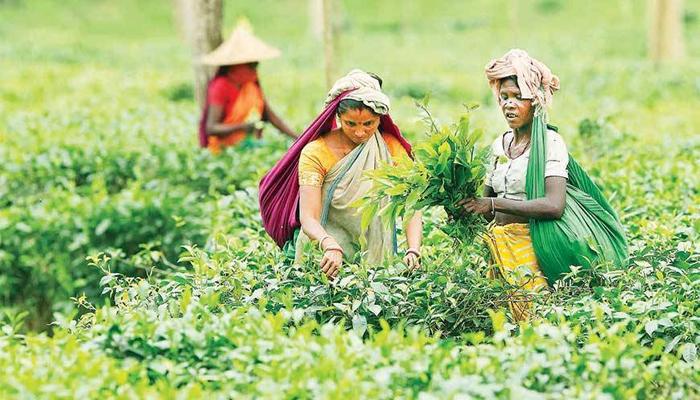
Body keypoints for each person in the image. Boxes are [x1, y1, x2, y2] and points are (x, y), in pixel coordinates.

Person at [461, 49, 627, 321]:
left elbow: (554, 205)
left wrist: (492, 203)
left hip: (533, 246)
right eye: (504, 98)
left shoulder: (550, 143)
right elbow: (485, 205)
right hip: (499, 246)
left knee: (534, 318)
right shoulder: (498, 146)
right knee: (500, 321)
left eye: (518, 97)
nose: (509, 105)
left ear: (535, 101)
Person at [259, 70, 423, 280]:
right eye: (350, 124)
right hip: (323, 253)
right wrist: (329, 245)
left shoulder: (391, 148)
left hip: (374, 257)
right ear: (337, 117)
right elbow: (308, 217)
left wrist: (413, 249)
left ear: (381, 119)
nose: (360, 132)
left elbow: (411, 204)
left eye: (369, 124)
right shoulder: (317, 152)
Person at [198, 23, 297, 154]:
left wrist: (298, 137)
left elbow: (270, 116)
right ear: (235, 66)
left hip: (252, 147)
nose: (255, 70)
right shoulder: (220, 86)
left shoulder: (251, 84)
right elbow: (211, 128)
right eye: (251, 65)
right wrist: (243, 127)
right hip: (225, 152)